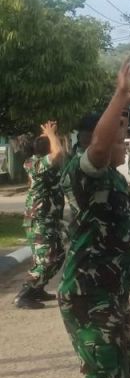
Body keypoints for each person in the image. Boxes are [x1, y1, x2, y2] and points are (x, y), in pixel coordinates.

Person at [52, 59, 130, 378]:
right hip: (88, 294)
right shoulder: (85, 172)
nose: (125, 142)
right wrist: (119, 97)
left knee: (125, 364)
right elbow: (101, 147)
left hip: (110, 290)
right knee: (106, 372)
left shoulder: (113, 179)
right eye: (121, 136)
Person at [14, 120, 66, 309]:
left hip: (50, 219)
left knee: (58, 255)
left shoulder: (46, 164)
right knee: (46, 259)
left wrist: (52, 134)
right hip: (39, 220)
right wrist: (50, 133)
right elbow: (58, 153)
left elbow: (59, 154)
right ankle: (24, 295)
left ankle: (38, 289)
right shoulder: (34, 163)